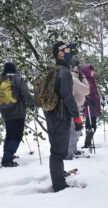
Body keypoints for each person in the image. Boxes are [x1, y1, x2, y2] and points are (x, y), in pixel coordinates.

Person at [44, 41, 82, 192]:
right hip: (61, 116)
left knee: (57, 150)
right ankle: (59, 186)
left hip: (52, 114)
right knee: (58, 152)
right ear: (60, 53)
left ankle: (59, 176)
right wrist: (77, 117)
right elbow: (67, 97)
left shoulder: (52, 71)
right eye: (67, 50)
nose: (70, 53)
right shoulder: (64, 72)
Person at [0, 62, 34, 167]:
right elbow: (26, 96)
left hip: (5, 112)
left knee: (9, 134)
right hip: (17, 112)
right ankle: (7, 159)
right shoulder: (18, 79)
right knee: (17, 136)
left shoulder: (2, 80)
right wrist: (35, 102)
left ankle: (7, 155)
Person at [65, 59, 89, 160]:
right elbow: (86, 90)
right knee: (73, 130)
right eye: (77, 66)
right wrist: (83, 77)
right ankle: (69, 154)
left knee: (76, 130)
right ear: (71, 67)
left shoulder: (72, 77)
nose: (78, 68)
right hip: (73, 108)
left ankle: (73, 150)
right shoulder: (73, 79)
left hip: (74, 107)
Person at [81, 65, 101, 149]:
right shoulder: (86, 81)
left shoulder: (91, 80)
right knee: (91, 125)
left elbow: (94, 92)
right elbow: (87, 93)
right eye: (92, 71)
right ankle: (87, 143)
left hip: (93, 105)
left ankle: (88, 142)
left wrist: (99, 97)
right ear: (88, 72)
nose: (93, 72)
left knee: (91, 125)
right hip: (90, 105)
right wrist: (93, 98)